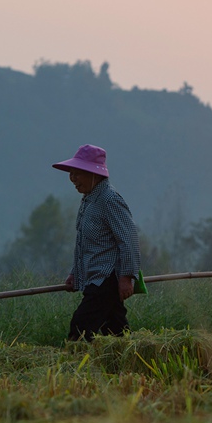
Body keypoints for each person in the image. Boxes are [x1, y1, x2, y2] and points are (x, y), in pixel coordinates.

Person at [52, 144, 141, 341]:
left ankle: (75, 364)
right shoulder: (89, 200)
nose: (72, 179)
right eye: (71, 173)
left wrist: (126, 277)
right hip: (95, 277)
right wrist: (75, 273)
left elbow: (128, 238)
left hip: (107, 278)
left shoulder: (109, 199)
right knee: (115, 330)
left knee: (81, 325)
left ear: (93, 174)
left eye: (77, 173)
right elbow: (84, 244)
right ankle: (126, 363)